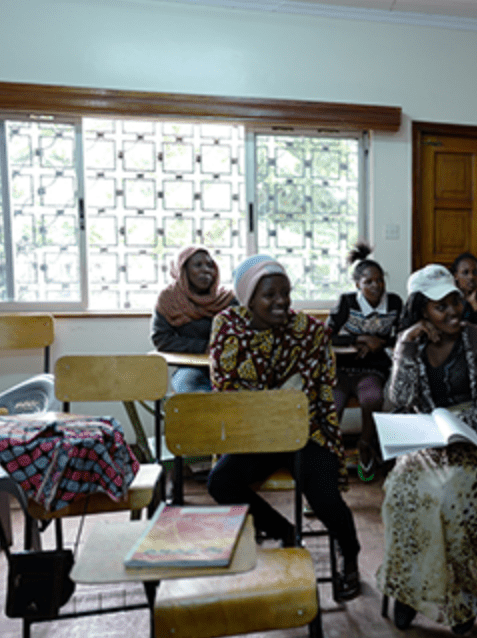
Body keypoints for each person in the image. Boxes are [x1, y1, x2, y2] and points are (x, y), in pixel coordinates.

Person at [377, 264, 477, 635]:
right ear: (421, 311)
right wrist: (405, 347)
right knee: (401, 492)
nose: (454, 311)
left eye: (455, 301)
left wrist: (455, 426)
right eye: (440, 306)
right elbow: (400, 399)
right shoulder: (413, 345)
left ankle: (463, 599)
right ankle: (410, 592)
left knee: (453, 497)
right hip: (428, 438)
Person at [206, 254, 361, 601]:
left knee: (323, 496)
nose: (281, 302)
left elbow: (319, 384)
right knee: (221, 482)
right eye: (270, 295)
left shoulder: (307, 331)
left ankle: (349, 551)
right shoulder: (228, 328)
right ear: (248, 300)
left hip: (304, 430)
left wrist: (286, 404)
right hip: (255, 433)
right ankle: (286, 533)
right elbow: (227, 388)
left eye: (286, 293)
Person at [326, 243, 403, 479]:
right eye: (368, 281)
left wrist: (378, 343)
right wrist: (358, 339)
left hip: (372, 369)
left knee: (372, 398)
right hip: (342, 369)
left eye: (379, 280)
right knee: (333, 404)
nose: (375, 286)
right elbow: (327, 335)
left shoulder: (394, 303)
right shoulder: (347, 302)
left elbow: (402, 336)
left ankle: (365, 445)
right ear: (357, 284)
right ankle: (330, 455)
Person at [151, 246, 236, 393]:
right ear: (183, 270)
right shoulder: (169, 299)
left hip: (228, 367)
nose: (206, 270)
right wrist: (203, 347)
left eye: (210, 265)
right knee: (190, 388)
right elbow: (161, 339)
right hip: (190, 367)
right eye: (198, 265)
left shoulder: (227, 299)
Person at [450, 252, 477, 326]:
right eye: (465, 273)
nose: (471, 277)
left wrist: (474, 303)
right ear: (456, 276)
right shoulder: (450, 299)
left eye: (475, 273)